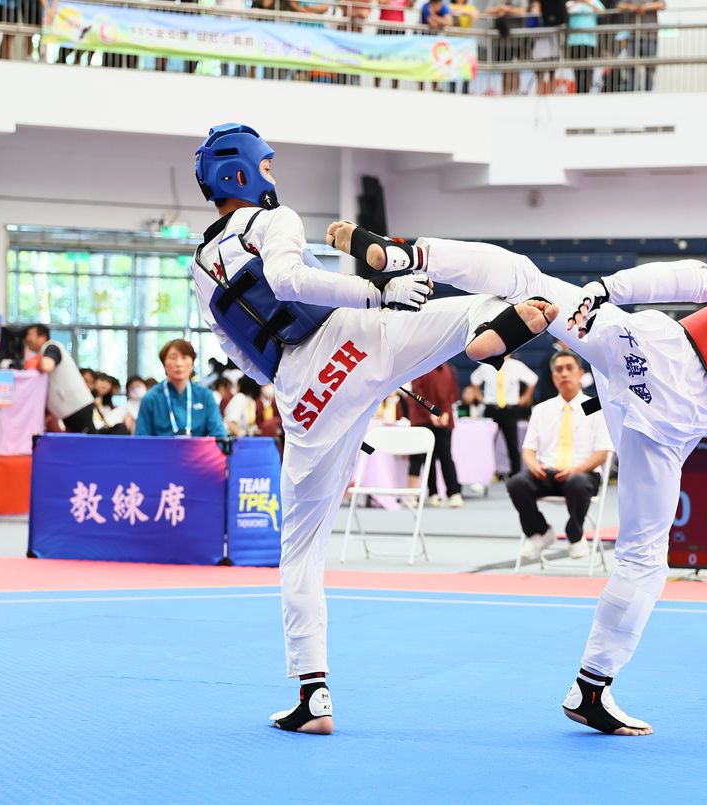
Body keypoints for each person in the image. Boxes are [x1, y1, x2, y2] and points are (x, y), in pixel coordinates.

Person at [327, 197, 707, 735]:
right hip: (675, 426)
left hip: (647, 354)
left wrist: (608, 288)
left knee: (526, 278)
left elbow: (696, 280)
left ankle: (412, 258)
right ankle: (591, 689)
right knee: (645, 562)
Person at [190, 123, 553, 735]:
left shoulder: (200, 268)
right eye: (268, 166)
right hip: (350, 338)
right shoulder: (274, 220)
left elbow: (238, 352)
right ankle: (495, 329)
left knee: (298, 551)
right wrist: (375, 291)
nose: (273, 177)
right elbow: (288, 281)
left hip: (301, 393)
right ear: (244, 173)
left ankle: (313, 695)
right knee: (468, 309)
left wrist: (315, 399)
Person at [512, 351, 612, 560]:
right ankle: (539, 532)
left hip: (582, 474)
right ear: (553, 376)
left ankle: (574, 534)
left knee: (578, 483)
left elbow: (603, 453)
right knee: (517, 483)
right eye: (559, 370)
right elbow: (528, 450)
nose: (564, 374)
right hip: (547, 473)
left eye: (569, 368)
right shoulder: (541, 409)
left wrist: (576, 470)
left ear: (581, 374)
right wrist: (533, 466)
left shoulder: (595, 407)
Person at [133, 339, 227, 438]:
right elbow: (141, 440)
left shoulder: (205, 395)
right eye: (173, 358)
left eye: (184, 357)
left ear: (192, 362)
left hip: (196, 448)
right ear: (164, 363)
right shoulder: (151, 398)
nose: (179, 363)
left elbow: (219, 436)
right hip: (161, 448)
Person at [406, 362, 464, 508]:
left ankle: (448, 494)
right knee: (436, 457)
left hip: (432, 419)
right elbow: (419, 393)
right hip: (434, 418)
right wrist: (441, 413)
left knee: (435, 457)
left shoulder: (440, 369)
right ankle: (445, 494)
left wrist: (437, 414)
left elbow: (449, 396)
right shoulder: (443, 369)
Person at [470, 354, 538, 478]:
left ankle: (516, 475)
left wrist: (525, 398)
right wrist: (479, 397)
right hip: (492, 409)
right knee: (487, 445)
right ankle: (484, 474)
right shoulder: (487, 365)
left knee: (513, 444)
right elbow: (474, 379)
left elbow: (533, 379)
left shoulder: (516, 365)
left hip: (509, 410)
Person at [26, 323, 96, 432]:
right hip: (69, 410)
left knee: (88, 440)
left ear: (43, 337)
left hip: (77, 407)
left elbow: (47, 365)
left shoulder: (52, 347)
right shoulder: (44, 352)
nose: (26, 338)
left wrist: (34, 363)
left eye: (29, 334)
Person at [617, 0, 666, 92]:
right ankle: (633, 91)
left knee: (650, 66)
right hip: (634, 37)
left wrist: (646, 7)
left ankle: (648, 91)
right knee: (632, 66)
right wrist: (633, 8)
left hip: (650, 37)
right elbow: (620, 5)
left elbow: (662, 4)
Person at [566, 0, 605, 95]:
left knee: (588, 68)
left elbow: (603, 13)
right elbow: (567, 10)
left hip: (589, 41)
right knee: (577, 68)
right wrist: (579, 1)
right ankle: (578, 92)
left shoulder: (594, 1)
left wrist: (589, 3)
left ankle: (587, 92)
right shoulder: (571, 3)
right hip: (574, 42)